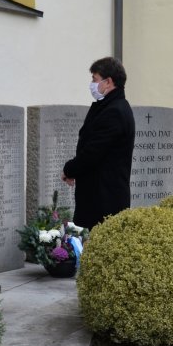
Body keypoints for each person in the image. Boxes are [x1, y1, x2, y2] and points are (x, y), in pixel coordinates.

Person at [62, 57, 135, 229]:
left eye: (94, 79)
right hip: (99, 195)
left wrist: (69, 169)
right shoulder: (110, 107)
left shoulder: (114, 111)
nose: (92, 84)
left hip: (104, 199)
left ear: (108, 81)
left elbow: (93, 152)